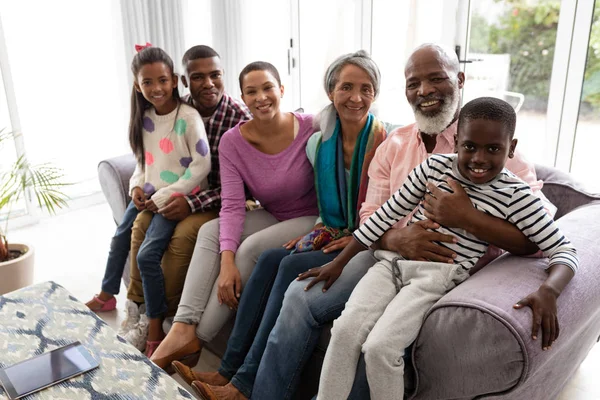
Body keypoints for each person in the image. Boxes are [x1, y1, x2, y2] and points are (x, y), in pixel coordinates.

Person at [251, 43, 553, 400]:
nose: (424, 91)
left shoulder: (489, 147)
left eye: (436, 79)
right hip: (384, 256)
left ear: (459, 80)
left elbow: (539, 235)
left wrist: (468, 219)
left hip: (445, 271)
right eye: (414, 83)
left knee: (379, 343)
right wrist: (397, 240)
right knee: (301, 296)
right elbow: (370, 214)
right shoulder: (394, 144)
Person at [316, 97, 578, 400]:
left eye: (493, 149)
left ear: (512, 147)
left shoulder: (515, 195)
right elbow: (386, 215)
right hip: (390, 265)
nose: (479, 158)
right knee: (344, 331)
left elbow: (564, 250)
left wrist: (549, 290)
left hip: (437, 278)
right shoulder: (433, 168)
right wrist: (340, 262)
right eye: (469, 147)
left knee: (380, 348)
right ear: (456, 141)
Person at [184, 51, 388, 400]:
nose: (355, 97)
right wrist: (318, 231)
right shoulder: (320, 140)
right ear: (330, 92)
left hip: (364, 240)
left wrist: (354, 236)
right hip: (332, 229)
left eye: (365, 88)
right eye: (346, 87)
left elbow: (385, 211)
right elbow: (322, 206)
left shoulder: (385, 142)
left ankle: (242, 384)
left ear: (376, 94)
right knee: (267, 260)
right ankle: (228, 371)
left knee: (289, 264)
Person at [149, 61, 320, 370]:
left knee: (251, 249)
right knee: (209, 231)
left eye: (268, 88)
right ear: (243, 98)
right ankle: (182, 327)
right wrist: (225, 262)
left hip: (311, 217)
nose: (261, 97)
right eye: (251, 92)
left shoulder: (310, 126)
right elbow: (231, 205)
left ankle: (198, 337)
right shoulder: (233, 142)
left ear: (281, 90)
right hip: (274, 214)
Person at [121, 45, 252, 350]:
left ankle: (164, 321)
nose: (208, 83)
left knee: (181, 236)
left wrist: (191, 203)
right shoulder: (179, 110)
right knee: (139, 224)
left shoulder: (239, 119)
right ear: (185, 81)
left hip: (223, 202)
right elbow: (149, 156)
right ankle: (140, 311)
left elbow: (246, 189)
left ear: (223, 76)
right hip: (185, 192)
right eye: (198, 77)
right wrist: (143, 188)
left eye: (215, 75)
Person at [86, 46, 212, 357]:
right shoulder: (144, 118)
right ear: (137, 85)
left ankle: (154, 329)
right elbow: (144, 163)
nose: (156, 89)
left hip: (177, 197)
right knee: (120, 236)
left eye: (162, 81)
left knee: (147, 256)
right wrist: (135, 188)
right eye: (147, 82)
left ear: (174, 81)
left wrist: (166, 195)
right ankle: (107, 295)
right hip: (151, 194)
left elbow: (202, 165)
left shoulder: (188, 117)